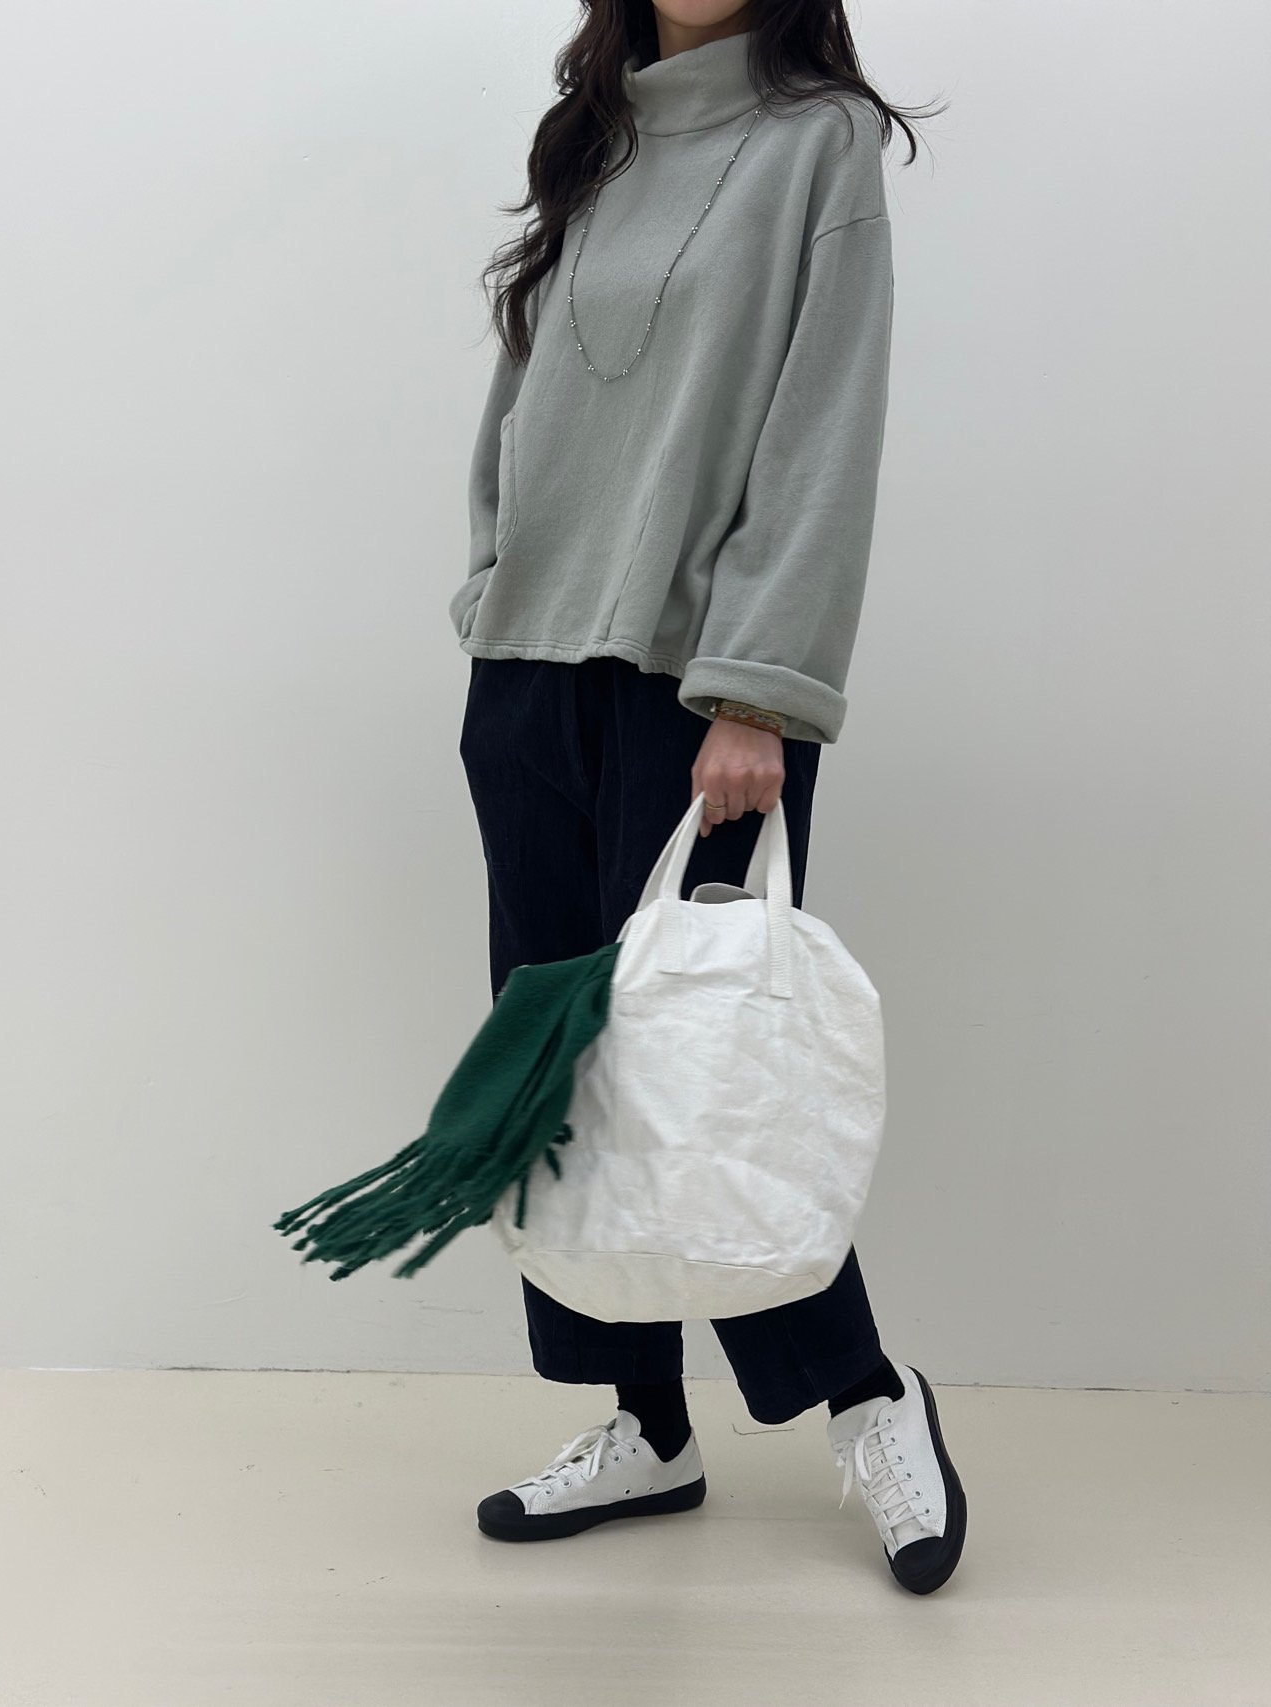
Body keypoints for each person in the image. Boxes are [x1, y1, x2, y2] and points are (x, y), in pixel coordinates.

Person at [451, 2, 967, 1594]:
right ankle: (643, 1423)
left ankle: (867, 1396)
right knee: (563, 1076)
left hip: (699, 692)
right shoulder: (597, 141)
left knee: (703, 1071)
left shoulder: (818, 145)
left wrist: (762, 689)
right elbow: (526, 393)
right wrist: (490, 584)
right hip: (530, 671)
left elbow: (823, 429)